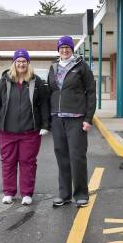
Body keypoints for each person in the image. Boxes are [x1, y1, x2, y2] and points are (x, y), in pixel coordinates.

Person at [0, 49, 50, 206]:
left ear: (28, 64)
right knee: (8, 162)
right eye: (18, 61)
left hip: (30, 132)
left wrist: (45, 124)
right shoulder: (4, 81)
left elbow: (44, 104)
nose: (21, 64)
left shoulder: (37, 82)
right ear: (14, 64)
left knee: (27, 162)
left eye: (24, 61)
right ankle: (8, 192)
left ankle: (27, 194)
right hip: (7, 131)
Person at [48, 36, 96, 208]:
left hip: (76, 119)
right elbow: (51, 93)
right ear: (58, 50)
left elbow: (91, 92)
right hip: (57, 118)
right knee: (62, 157)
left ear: (72, 49)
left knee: (77, 157)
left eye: (68, 47)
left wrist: (88, 118)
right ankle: (64, 194)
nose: (65, 50)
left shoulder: (81, 67)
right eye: (62, 47)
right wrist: (48, 120)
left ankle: (81, 193)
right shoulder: (53, 67)